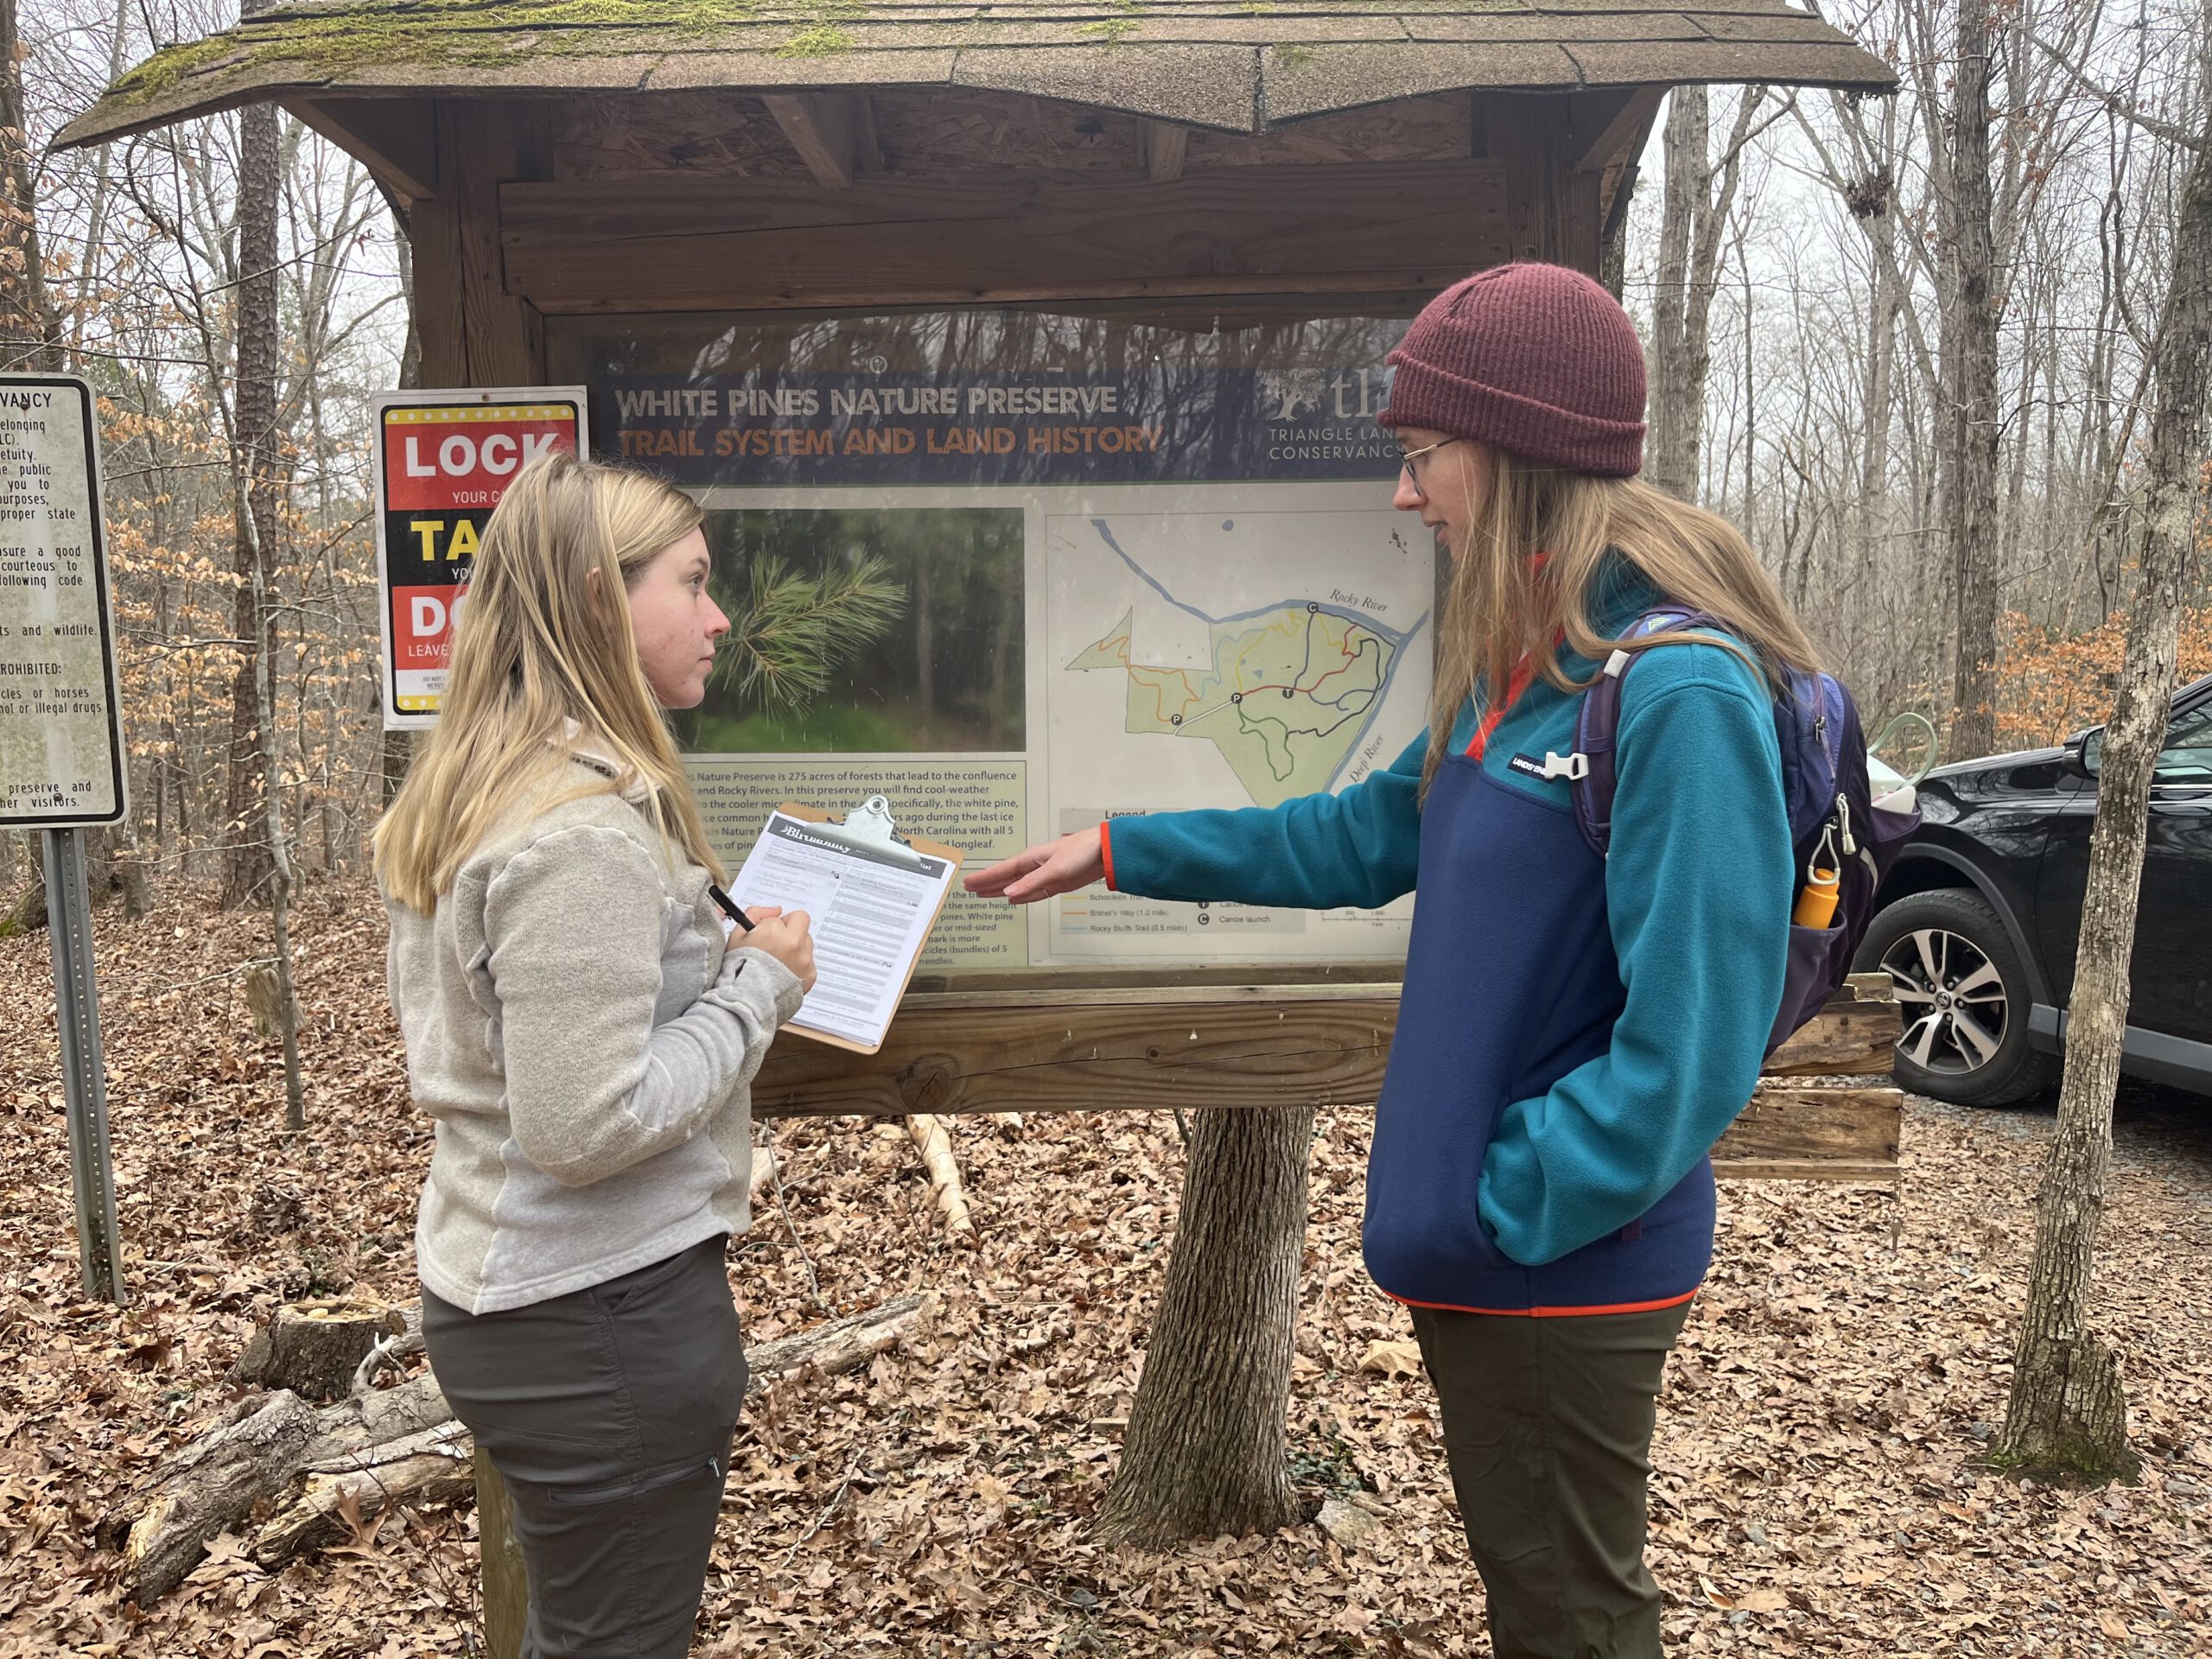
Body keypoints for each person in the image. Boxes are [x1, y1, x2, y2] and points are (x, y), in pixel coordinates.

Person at [968, 264, 1816, 1658]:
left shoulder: (1675, 690)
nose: (1406, 493)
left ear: (1518, 448)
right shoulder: (1534, 651)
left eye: (1425, 455)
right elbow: (1367, 834)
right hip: (1496, 1254)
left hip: (1568, 1262)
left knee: (1573, 1612)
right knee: (1534, 1591)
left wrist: (1522, 1195)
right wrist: (1119, 847)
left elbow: (1700, 1041)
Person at [373, 453, 815, 1657]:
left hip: (528, 1304)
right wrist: (760, 989)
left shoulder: (489, 784)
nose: (720, 616)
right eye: (693, 581)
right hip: (596, 1319)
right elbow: (583, 1125)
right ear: (592, 599)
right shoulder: (577, 835)